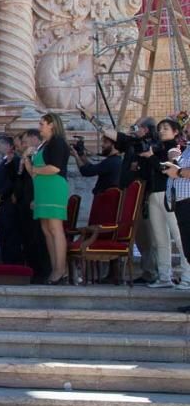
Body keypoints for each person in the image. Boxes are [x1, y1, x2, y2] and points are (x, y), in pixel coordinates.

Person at [78, 107, 159, 283]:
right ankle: (137, 274)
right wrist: (91, 117)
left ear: (145, 129)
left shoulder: (152, 145)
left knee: (147, 238)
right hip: (128, 197)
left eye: (136, 126)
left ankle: (152, 274)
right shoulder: (131, 144)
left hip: (145, 199)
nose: (133, 129)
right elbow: (110, 132)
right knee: (132, 237)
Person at [23, 113, 70, 284]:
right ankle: (54, 268)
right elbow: (33, 172)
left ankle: (61, 270)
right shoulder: (43, 145)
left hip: (54, 187)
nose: (39, 126)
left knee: (55, 228)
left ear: (52, 125)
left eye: (42, 123)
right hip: (42, 188)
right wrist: (26, 158)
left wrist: (36, 170)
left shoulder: (57, 142)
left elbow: (55, 168)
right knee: (46, 230)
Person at [143, 118, 189, 288]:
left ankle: (187, 277)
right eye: (160, 128)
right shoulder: (157, 147)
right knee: (160, 238)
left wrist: (152, 158)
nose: (162, 131)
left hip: (169, 194)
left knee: (179, 237)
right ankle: (164, 277)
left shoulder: (175, 148)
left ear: (176, 131)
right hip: (154, 194)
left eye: (166, 128)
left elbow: (168, 169)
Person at [15, 130, 51, 282]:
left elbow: (39, 179)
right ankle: (32, 271)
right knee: (28, 239)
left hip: (36, 200)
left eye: (24, 141)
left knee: (38, 239)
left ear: (34, 139)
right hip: (25, 202)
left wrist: (37, 198)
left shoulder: (41, 154)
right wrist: (21, 167)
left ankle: (43, 272)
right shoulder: (27, 157)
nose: (23, 145)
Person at [0, 135, 23, 264]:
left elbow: (12, 181)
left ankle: (13, 263)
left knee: (10, 234)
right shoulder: (3, 161)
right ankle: (7, 261)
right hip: (0, 202)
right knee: (4, 233)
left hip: (7, 202)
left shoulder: (14, 160)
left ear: (9, 146)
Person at [161, 139, 190, 290]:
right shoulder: (187, 148)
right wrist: (174, 159)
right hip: (181, 204)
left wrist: (177, 172)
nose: (186, 126)